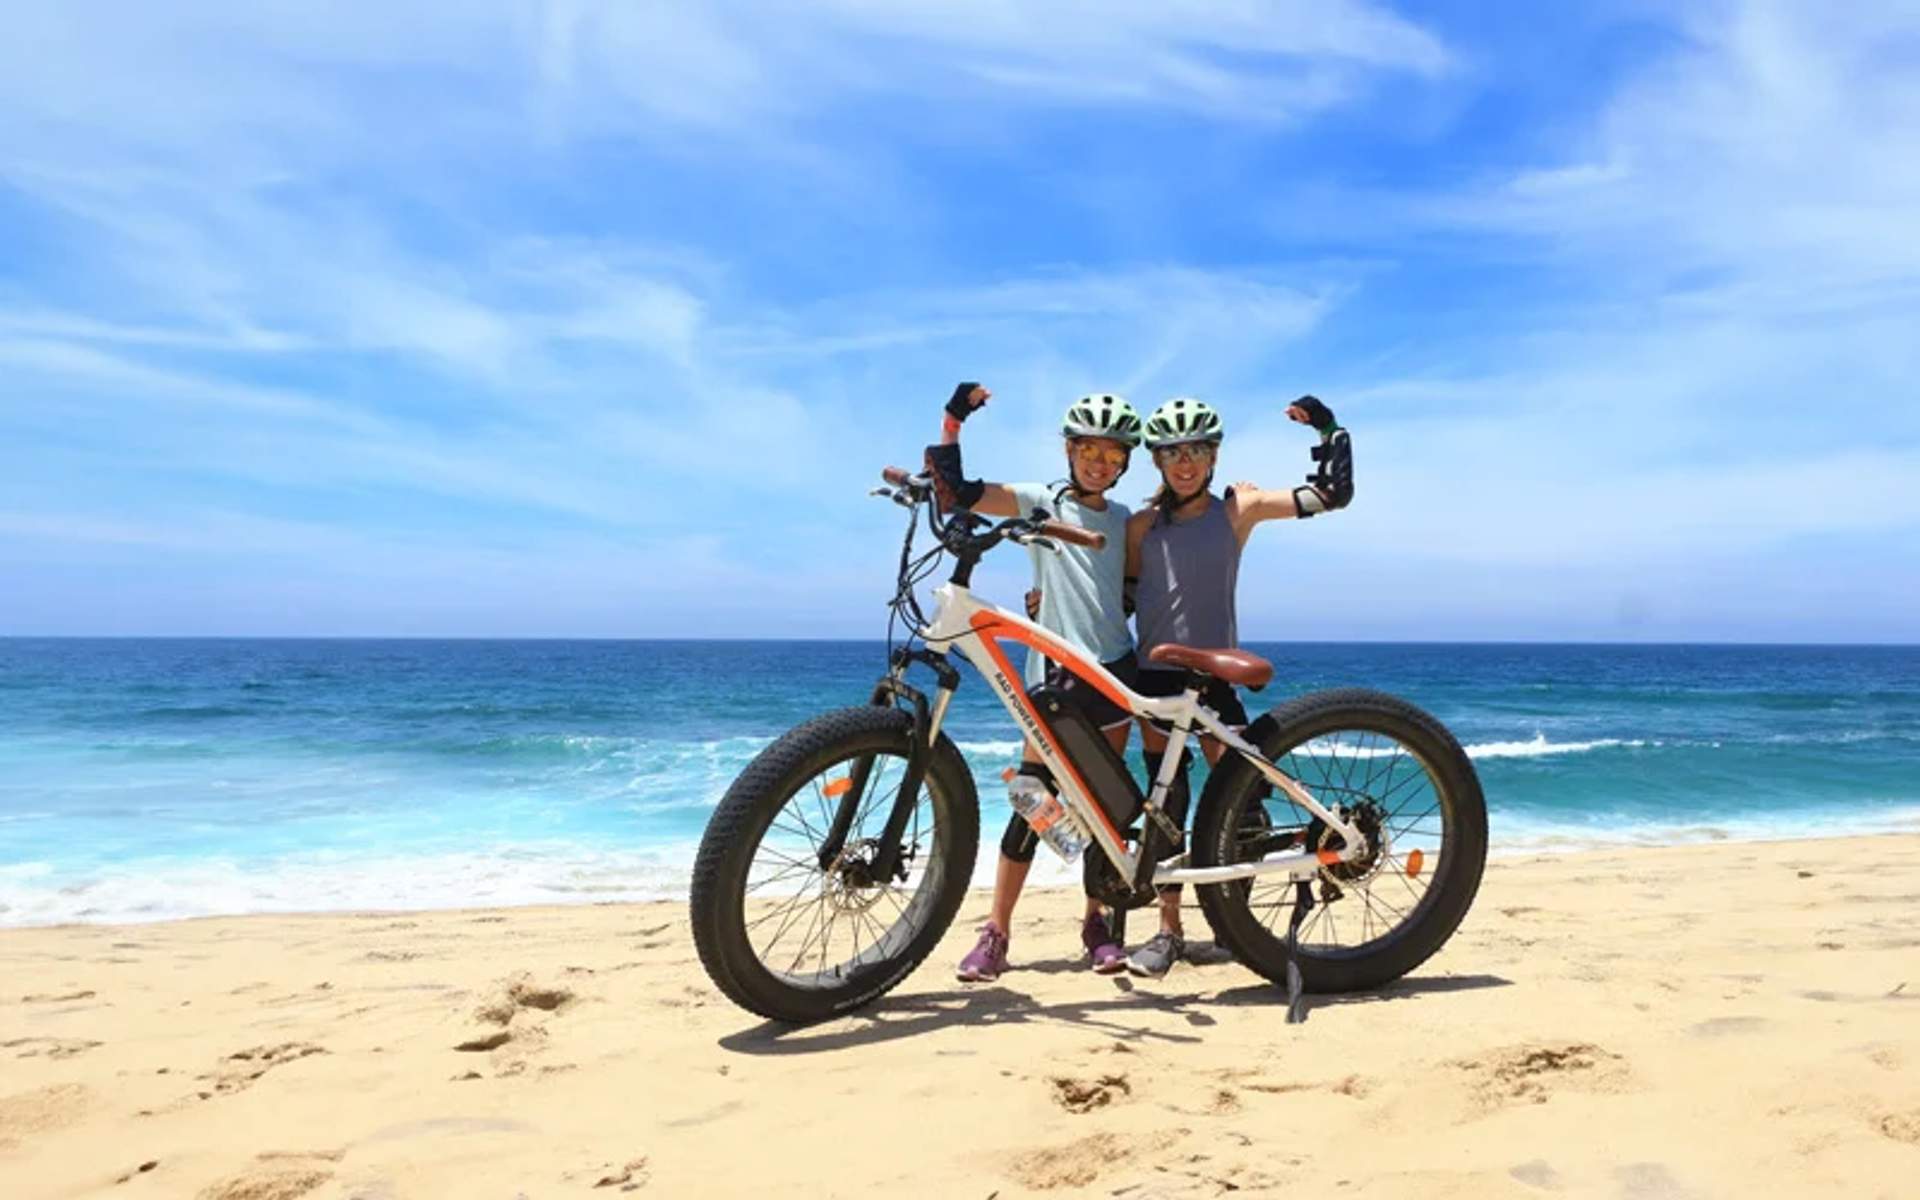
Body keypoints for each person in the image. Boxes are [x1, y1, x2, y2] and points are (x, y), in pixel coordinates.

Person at [1118, 394, 1355, 978]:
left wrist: (1328, 429)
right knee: (1166, 802)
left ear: (1214, 456)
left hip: (1217, 675)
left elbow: (1332, 494)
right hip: (1157, 675)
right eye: (1172, 453)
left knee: (1244, 798)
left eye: (1195, 451)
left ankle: (1234, 926)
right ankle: (1169, 931)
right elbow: (1123, 599)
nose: (1185, 463)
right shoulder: (1141, 527)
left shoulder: (1237, 510)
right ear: (1157, 461)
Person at [922, 382, 1145, 982]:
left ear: (1124, 462)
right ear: (1070, 450)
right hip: (1053, 674)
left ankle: (1096, 923)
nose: (1100, 463)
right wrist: (953, 421)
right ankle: (996, 932)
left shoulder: (1125, 520)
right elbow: (959, 493)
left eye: (1112, 454)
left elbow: (1125, 590)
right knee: (1032, 798)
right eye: (1089, 450)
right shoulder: (1039, 500)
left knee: (1102, 808)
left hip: (1112, 672)